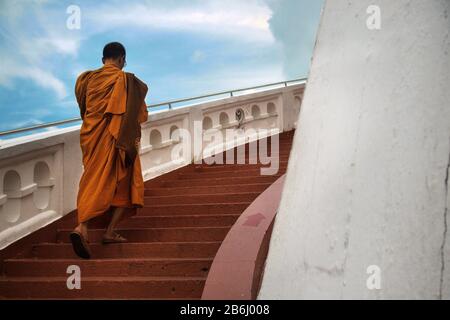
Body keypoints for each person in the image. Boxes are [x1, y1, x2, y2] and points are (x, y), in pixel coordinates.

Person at [70, 42, 149, 259]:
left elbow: (84, 108)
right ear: (122, 58)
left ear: (103, 59)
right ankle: (99, 230)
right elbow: (140, 114)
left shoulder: (86, 80)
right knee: (128, 181)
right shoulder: (126, 81)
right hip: (118, 141)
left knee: (93, 178)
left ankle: (88, 226)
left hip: (92, 138)